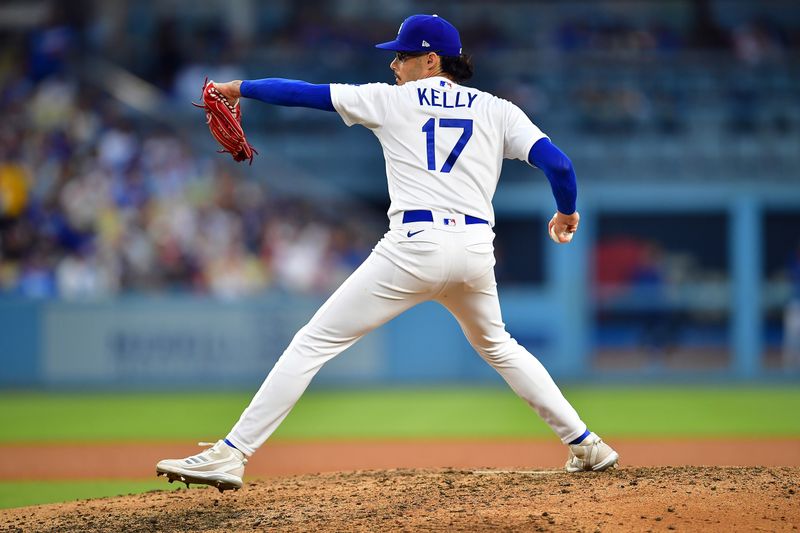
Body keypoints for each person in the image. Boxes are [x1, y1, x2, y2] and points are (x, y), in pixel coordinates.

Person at [156, 14, 618, 492]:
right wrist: (566, 214)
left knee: (313, 343)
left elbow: (303, 93)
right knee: (499, 345)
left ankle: (231, 455)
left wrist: (239, 87)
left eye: (402, 55)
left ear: (432, 60)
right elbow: (560, 165)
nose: (394, 64)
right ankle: (586, 443)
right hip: (477, 251)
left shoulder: (390, 100)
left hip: (414, 247)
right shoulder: (499, 110)